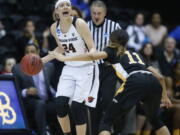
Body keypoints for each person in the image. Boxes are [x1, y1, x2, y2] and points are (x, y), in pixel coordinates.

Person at [49, 29, 172, 135]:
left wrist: (64, 57)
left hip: (135, 81)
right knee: (155, 120)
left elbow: (92, 57)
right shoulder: (136, 54)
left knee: (105, 122)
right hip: (153, 82)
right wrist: (165, 97)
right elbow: (160, 77)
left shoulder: (111, 50)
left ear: (111, 40)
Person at [41, 0, 99, 135]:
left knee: (77, 107)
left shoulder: (79, 23)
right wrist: (43, 60)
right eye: (61, 5)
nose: (66, 7)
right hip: (70, 68)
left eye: (68, 4)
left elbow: (92, 47)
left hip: (86, 68)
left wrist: (91, 54)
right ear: (56, 12)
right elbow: (62, 48)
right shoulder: (54, 28)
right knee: (60, 105)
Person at [88, 1, 124, 134]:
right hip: (91, 69)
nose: (96, 16)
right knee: (93, 103)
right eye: (94, 13)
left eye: (99, 13)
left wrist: (114, 58)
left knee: (109, 100)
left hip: (108, 68)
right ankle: (97, 131)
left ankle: (112, 129)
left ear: (105, 13)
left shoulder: (114, 26)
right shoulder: (85, 26)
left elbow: (123, 45)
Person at [12, 44, 60, 135]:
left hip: (48, 100)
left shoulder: (49, 66)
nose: (30, 54)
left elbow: (54, 86)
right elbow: (15, 92)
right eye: (27, 52)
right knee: (40, 104)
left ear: (38, 53)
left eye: (32, 51)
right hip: (30, 102)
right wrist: (26, 91)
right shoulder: (17, 69)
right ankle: (43, 133)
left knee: (62, 104)